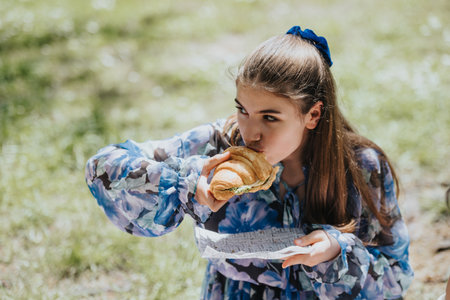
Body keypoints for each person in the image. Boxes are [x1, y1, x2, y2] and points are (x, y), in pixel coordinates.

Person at [85, 25, 414, 299]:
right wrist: (183, 183)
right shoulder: (220, 147)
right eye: (243, 110)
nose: (251, 133)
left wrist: (336, 252)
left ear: (312, 114)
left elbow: (396, 279)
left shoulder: (360, 168)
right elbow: (101, 168)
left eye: (270, 117)